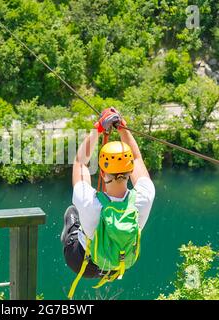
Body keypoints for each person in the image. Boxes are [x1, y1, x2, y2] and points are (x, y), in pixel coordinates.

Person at [61, 107, 156, 298]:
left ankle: (67, 234)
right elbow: (137, 158)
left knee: (72, 212)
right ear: (130, 171)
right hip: (118, 266)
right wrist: (122, 128)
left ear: (103, 173)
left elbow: (80, 162)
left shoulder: (88, 202)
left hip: (82, 263)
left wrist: (98, 128)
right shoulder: (145, 196)